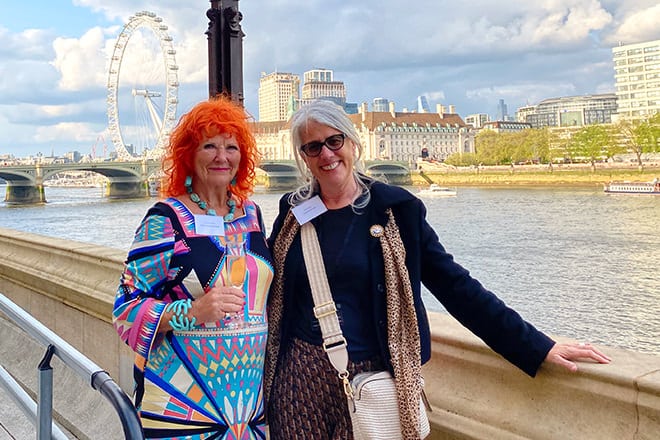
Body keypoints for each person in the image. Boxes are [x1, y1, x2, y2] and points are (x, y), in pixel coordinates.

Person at [263, 100, 610, 439]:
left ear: (352, 142)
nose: (326, 154)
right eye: (312, 147)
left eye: (333, 141)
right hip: (299, 376)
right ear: (304, 157)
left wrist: (537, 346)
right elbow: (264, 278)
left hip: (373, 377)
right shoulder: (293, 212)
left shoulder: (396, 211)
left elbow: (456, 287)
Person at [113, 97, 274, 439]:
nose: (222, 156)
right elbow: (125, 310)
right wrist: (193, 311)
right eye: (209, 146)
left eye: (231, 147)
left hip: (249, 407)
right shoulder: (165, 219)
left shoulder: (253, 215)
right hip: (183, 403)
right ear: (189, 154)